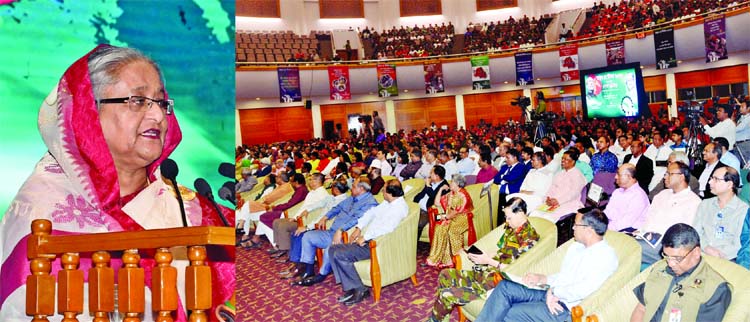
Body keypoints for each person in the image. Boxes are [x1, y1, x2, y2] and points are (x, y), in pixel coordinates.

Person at [0, 45, 233, 320]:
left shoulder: (191, 209)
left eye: (160, 102)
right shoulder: (42, 212)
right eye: (137, 101)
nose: (158, 115)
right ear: (89, 111)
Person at [475, 208, 618, 321]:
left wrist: (554, 291)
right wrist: (543, 279)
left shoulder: (605, 257)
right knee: (505, 286)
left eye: (576, 224)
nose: (573, 228)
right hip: (550, 293)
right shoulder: (576, 246)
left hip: (565, 308)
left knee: (508, 312)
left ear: (588, 230)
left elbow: (583, 290)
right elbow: (565, 277)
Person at [427, 198, 540, 322]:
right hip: (487, 274)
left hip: (496, 283)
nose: (507, 221)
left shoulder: (529, 238)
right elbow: (501, 251)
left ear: (520, 213)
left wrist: (488, 260)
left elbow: (515, 270)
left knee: (446, 294)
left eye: (509, 217)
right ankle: (442, 318)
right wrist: (480, 255)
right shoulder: (512, 228)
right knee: (445, 274)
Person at [328, 180, 408, 306]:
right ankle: (350, 286)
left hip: (376, 245)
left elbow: (387, 229)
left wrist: (365, 237)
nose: (382, 191)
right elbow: (371, 213)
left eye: (384, 189)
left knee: (340, 254)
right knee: (333, 249)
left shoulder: (399, 208)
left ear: (390, 192)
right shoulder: (388, 203)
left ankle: (360, 289)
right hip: (367, 241)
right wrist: (359, 228)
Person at [630, 224, 731, 321]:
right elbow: (641, 309)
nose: (670, 263)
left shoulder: (716, 288)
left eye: (677, 258)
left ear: (696, 252)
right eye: (666, 256)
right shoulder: (659, 269)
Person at [295, 177, 378, 286]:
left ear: (361, 189)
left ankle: (321, 274)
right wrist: (325, 217)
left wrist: (340, 230)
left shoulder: (370, 203)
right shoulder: (352, 198)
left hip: (345, 236)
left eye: (353, 187)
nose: (350, 189)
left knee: (332, 247)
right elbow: (337, 208)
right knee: (308, 236)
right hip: (332, 232)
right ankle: (308, 270)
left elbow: (356, 220)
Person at [636, 161, 701, 267]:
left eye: (669, 174)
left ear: (681, 177)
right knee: (623, 241)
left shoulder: (693, 202)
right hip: (645, 238)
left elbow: (683, 236)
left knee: (629, 248)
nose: (665, 177)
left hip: (666, 246)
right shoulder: (661, 195)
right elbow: (648, 218)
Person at [270, 173, 332, 261]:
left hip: (306, 221)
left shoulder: (322, 194)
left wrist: (298, 218)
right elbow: (303, 207)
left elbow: (314, 210)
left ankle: (285, 251)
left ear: (317, 181)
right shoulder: (312, 192)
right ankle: (281, 247)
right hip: (300, 218)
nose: (309, 182)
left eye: (312, 179)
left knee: (283, 226)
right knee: (277, 222)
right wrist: (294, 217)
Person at [693, 166, 748, 261]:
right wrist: (706, 248)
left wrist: (719, 255)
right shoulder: (705, 204)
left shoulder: (743, 209)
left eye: (716, 179)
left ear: (729, 184)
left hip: (727, 259)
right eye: (711, 178)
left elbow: (739, 244)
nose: (710, 182)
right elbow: (695, 232)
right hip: (701, 254)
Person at [246, 173, 309, 250]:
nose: (290, 183)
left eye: (291, 181)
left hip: (289, 212)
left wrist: (276, 208)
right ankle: (259, 239)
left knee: (263, 217)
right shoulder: (301, 189)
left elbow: (291, 204)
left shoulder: (301, 190)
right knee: (263, 217)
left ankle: (263, 240)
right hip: (288, 209)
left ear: (296, 182)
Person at [426, 174, 474, 268]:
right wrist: (440, 190)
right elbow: (436, 202)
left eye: (452, 182)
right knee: (440, 228)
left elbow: (456, 212)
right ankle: (447, 260)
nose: (450, 183)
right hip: (451, 216)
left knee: (450, 231)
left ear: (457, 184)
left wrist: (446, 218)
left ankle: (459, 258)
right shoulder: (452, 193)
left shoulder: (462, 195)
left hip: (462, 219)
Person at [530, 149, 587, 223]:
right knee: (534, 213)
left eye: (566, 159)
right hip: (552, 201)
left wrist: (558, 201)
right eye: (562, 158)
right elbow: (552, 188)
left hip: (568, 203)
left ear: (573, 162)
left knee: (548, 217)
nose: (562, 161)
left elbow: (573, 193)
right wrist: (547, 198)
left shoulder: (577, 175)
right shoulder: (559, 173)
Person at [604, 164, 650, 232]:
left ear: (628, 176)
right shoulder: (617, 192)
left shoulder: (639, 196)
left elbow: (625, 223)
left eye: (618, 174)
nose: (615, 177)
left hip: (628, 232)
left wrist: (603, 229)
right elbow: (607, 212)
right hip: (611, 227)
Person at [414, 165, 449, 240]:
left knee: (418, 224)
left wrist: (427, 185)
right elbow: (422, 194)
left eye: (431, 173)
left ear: (437, 176)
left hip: (429, 211)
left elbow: (434, 198)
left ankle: (413, 245)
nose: (430, 174)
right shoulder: (432, 182)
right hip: (417, 206)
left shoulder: (445, 187)